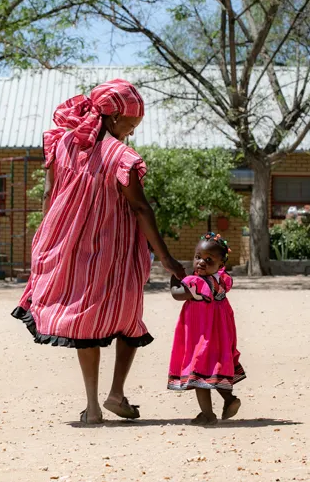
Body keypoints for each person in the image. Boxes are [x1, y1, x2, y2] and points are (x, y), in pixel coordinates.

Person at [11, 79, 187, 424]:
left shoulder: (63, 142)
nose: (132, 134)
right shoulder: (122, 157)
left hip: (71, 246)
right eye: (130, 126)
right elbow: (140, 209)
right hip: (115, 249)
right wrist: (166, 258)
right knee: (128, 317)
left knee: (85, 319)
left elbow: (49, 193)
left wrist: (52, 234)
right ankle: (116, 393)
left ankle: (93, 407)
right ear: (112, 117)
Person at [168, 232, 246, 425]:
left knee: (199, 371)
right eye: (198, 257)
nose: (201, 262)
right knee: (215, 370)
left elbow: (178, 294)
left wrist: (174, 279)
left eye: (208, 260)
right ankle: (229, 399)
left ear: (220, 265)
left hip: (200, 335)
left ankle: (207, 414)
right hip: (220, 335)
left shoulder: (196, 282)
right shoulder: (222, 281)